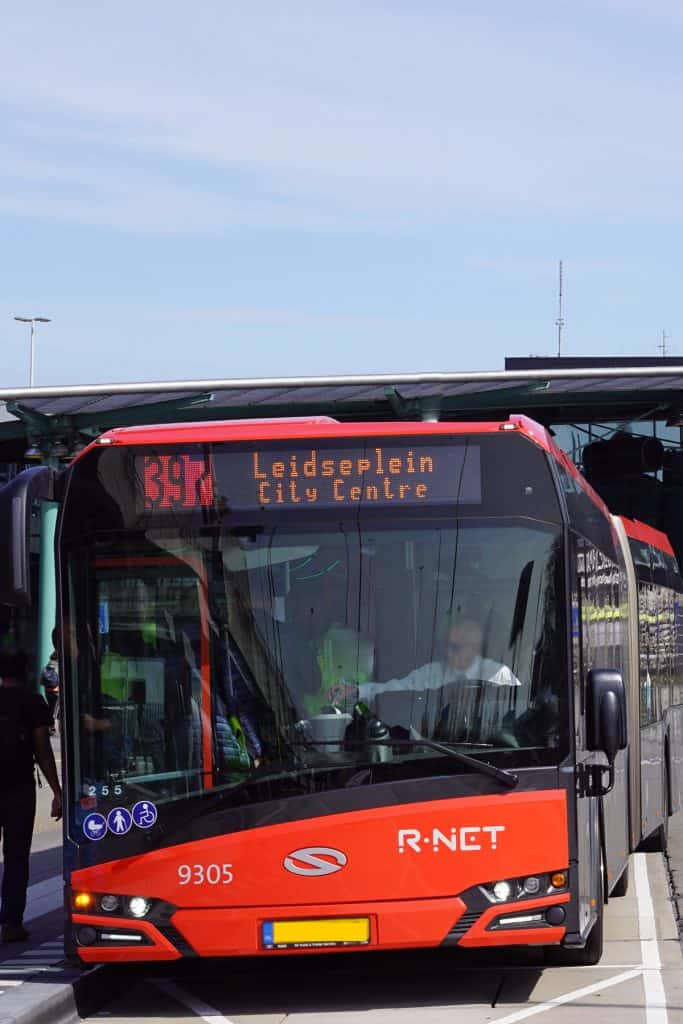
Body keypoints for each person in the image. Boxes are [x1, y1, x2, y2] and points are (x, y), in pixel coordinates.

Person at [0, 649, 63, 943]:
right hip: (19, 789)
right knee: (16, 857)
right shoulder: (32, 702)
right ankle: (12, 923)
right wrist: (57, 791)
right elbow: (42, 749)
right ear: (24, 672)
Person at [328, 617, 520, 706]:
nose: (447, 651)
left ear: (476, 647)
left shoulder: (498, 673)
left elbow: (519, 706)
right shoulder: (431, 673)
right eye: (446, 645)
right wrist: (356, 691)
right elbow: (394, 688)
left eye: (455, 647)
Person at [40, 647, 60, 736]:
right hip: (57, 691)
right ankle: (52, 726)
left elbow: (41, 681)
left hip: (48, 691)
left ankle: (50, 726)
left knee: (51, 708)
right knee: (56, 711)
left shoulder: (46, 667)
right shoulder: (59, 666)